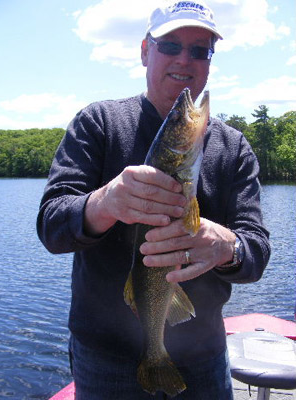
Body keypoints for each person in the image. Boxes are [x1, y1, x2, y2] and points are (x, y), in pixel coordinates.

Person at [37, 1, 271, 399]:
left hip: (205, 357)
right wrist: (105, 203)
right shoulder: (99, 124)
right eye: (170, 45)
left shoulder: (232, 148)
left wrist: (225, 246)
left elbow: (257, 251)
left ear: (210, 62)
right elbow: (52, 227)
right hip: (105, 362)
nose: (185, 59)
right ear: (146, 50)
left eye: (200, 50)